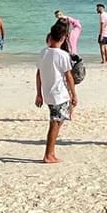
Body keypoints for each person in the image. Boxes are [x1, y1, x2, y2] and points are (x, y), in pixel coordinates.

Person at [35, 22, 77, 163]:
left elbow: (38, 74)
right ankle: (48, 154)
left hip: (48, 93)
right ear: (64, 38)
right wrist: (74, 94)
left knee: (58, 122)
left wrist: (39, 93)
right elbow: (69, 77)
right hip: (59, 94)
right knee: (55, 123)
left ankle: (51, 152)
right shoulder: (63, 55)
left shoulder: (43, 52)